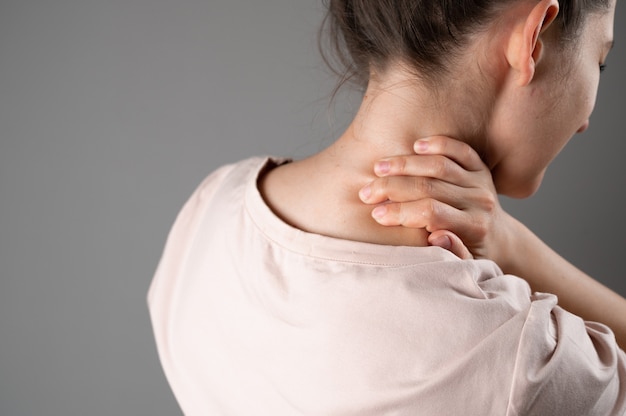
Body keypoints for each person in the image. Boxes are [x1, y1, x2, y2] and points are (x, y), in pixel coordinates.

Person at [148, 0, 626, 414]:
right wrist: (514, 246)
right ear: (534, 38)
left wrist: (500, 237)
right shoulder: (519, 363)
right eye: (599, 60)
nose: (586, 121)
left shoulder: (209, 210)